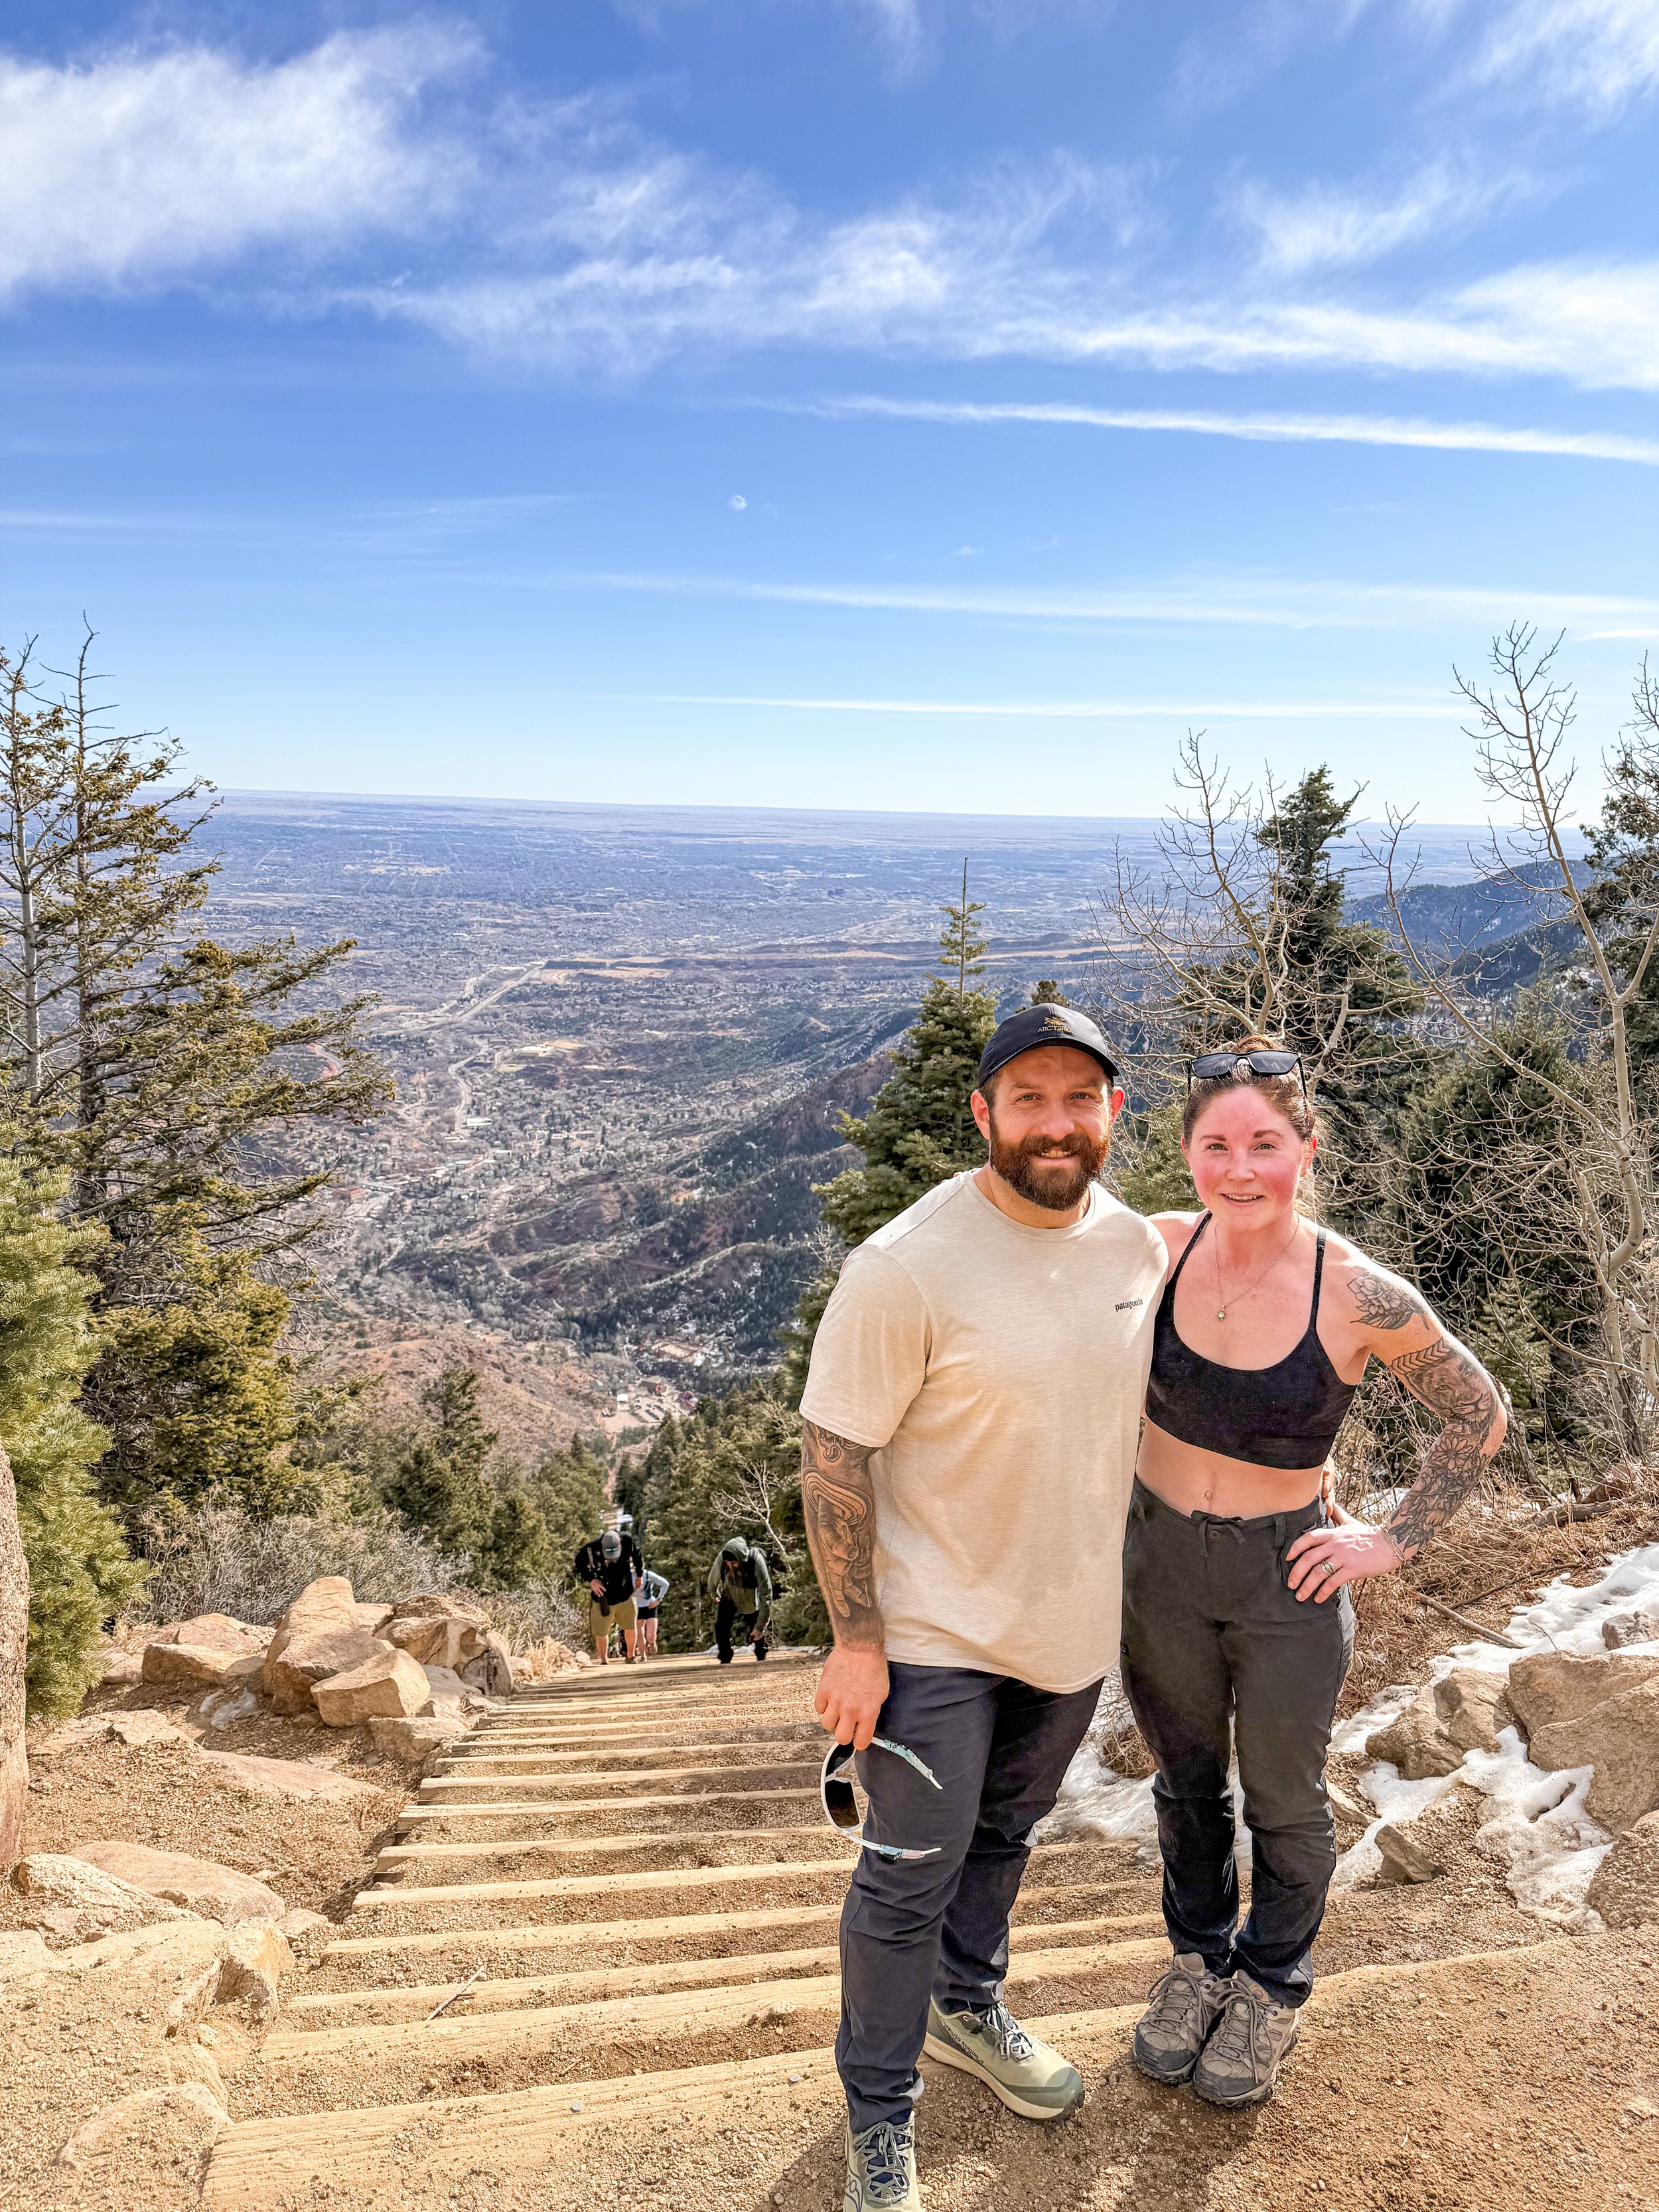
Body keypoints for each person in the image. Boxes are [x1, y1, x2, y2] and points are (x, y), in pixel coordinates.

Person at [798, 1003, 1165, 2212]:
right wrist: (858, 1638)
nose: (1055, 1124)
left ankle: (966, 2005)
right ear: (985, 1114)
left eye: (1080, 1098)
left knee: (1003, 1837)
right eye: (1029, 1099)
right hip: (934, 1634)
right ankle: (881, 2119)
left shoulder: (1135, 1249)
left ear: (1114, 1110)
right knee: (907, 1872)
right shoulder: (904, 1264)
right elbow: (834, 1456)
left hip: (1067, 1632)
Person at [1125, 1039, 1507, 2110]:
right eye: (1215, 1144)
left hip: (1283, 1575)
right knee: (1185, 1781)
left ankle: (1270, 1984)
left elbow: (1480, 1410)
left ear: (1308, 1147)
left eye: (1265, 1143)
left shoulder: (1358, 1293)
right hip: (1154, 1564)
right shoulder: (1156, 1248)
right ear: (1187, 1149)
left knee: (1284, 1797)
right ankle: (1200, 1959)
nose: (1239, 1167)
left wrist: (1392, 1538)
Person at [573, 1525, 643, 1664]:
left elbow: (637, 1556)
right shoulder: (591, 1548)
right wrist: (592, 1580)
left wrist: (639, 1574)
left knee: (630, 1626)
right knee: (601, 1631)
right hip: (603, 1596)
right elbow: (579, 1563)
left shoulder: (627, 1541)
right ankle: (604, 1661)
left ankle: (631, 1656)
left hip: (625, 1594)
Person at [707, 1536, 772, 1662]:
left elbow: (767, 1595)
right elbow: (713, 1579)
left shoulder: (756, 1561)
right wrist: (714, 1594)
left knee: (756, 1628)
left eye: (733, 1563)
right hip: (729, 1596)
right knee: (721, 1627)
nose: (730, 1566)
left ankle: (761, 1653)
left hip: (752, 1601)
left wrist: (760, 1627)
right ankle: (725, 1656)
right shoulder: (723, 1557)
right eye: (728, 1563)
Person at [634, 1566, 669, 1660]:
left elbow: (665, 1584)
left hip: (650, 1605)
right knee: (639, 1633)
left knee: (651, 1636)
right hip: (637, 1606)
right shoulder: (628, 1576)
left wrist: (659, 1600)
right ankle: (642, 1654)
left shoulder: (648, 1575)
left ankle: (652, 1642)